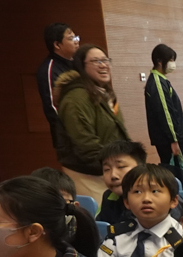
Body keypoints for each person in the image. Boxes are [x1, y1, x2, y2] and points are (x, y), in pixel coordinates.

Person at [52, 45, 129, 200]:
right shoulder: (76, 98)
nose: (103, 65)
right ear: (81, 66)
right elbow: (86, 146)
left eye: (105, 60)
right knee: (99, 214)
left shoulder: (104, 93)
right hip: (88, 176)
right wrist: (117, 166)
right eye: (96, 61)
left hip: (109, 171)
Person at [98, 165, 183, 257]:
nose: (146, 199)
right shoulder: (117, 236)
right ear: (126, 202)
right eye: (138, 191)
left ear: (173, 201)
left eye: (155, 191)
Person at [144, 44, 183, 184]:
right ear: (159, 61)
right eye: (170, 60)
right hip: (170, 141)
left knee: (177, 173)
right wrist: (174, 140)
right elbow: (165, 113)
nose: (173, 64)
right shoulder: (157, 83)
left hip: (171, 139)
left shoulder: (161, 80)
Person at [36, 23, 79, 156]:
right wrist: (76, 130)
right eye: (71, 38)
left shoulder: (79, 63)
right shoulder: (49, 69)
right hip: (69, 139)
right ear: (57, 44)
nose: (77, 41)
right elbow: (52, 108)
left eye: (76, 37)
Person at [97, 141, 146, 225]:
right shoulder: (109, 197)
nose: (113, 175)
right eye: (106, 169)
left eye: (121, 167)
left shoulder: (156, 197)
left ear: (141, 167)